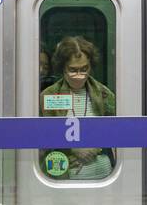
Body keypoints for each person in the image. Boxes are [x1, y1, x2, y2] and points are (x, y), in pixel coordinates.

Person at [39, 36, 115, 180]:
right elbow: (42, 136)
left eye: (84, 69)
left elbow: (117, 131)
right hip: (64, 177)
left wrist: (95, 148)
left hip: (105, 175)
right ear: (62, 68)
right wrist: (73, 149)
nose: (79, 76)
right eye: (73, 70)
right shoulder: (49, 95)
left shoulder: (104, 94)